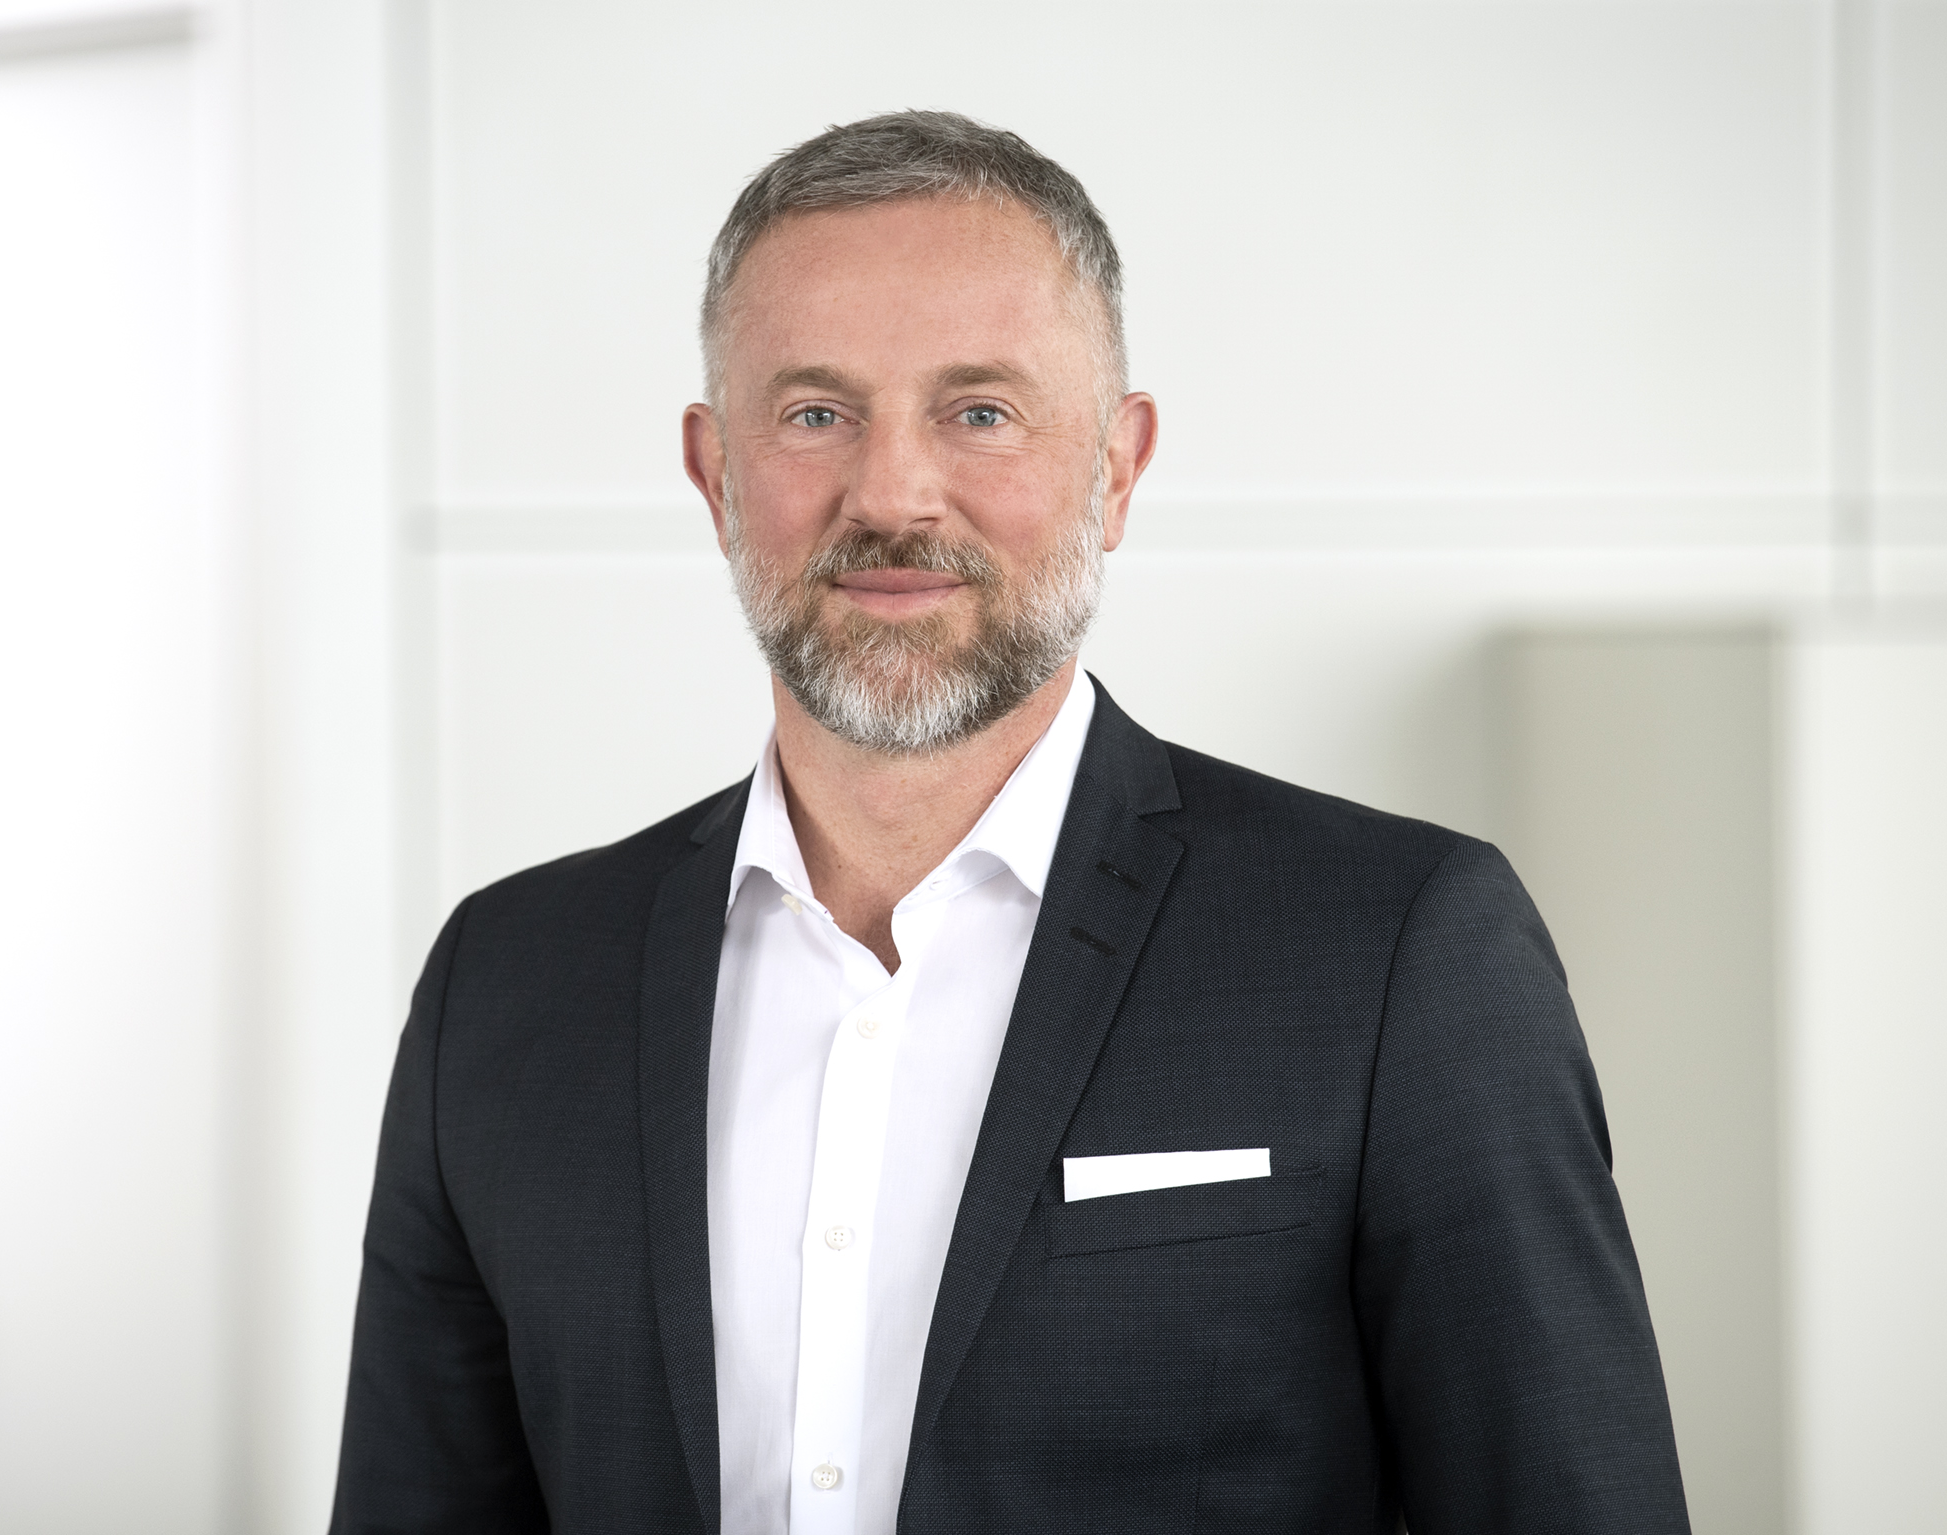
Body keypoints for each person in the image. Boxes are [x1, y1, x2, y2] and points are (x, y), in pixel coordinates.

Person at [329, 110, 1690, 1535]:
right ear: (715, 472)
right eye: (815, 414)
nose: (893, 495)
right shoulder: (509, 980)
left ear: (1117, 467)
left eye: (979, 411)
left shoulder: (1398, 950)